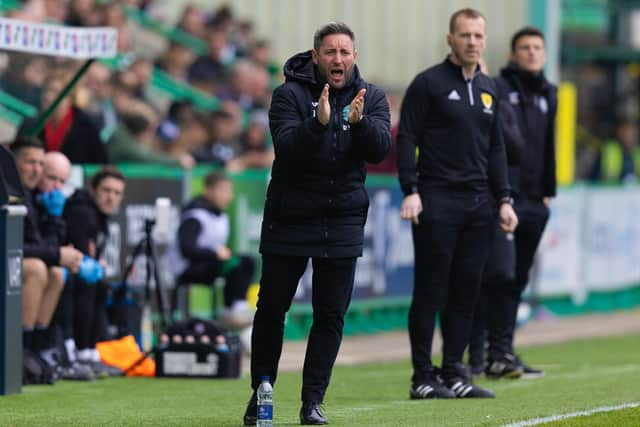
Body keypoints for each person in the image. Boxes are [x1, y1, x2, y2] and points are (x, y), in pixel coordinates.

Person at [243, 22, 391, 425]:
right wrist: (318, 123)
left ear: (354, 57)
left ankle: (312, 402)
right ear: (316, 56)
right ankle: (262, 395)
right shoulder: (288, 94)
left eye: (344, 52)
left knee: (330, 315)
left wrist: (359, 124)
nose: (337, 59)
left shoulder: (371, 96)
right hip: (289, 217)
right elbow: (286, 149)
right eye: (330, 52)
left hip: (342, 219)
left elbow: (380, 151)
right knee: (272, 309)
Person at [396, 8, 518, 399]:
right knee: (430, 290)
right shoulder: (428, 83)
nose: (472, 42)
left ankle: (454, 371)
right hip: (436, 200)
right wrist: (410, 189)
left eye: (478, 36)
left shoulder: (488, 88)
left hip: (479, 205)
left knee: (466, 291)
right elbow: (407, 137)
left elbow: (495, 147)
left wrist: (504, 199)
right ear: (450, 39)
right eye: (464, 35)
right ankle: (421, 376)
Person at [468, 26, 557, 379]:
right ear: (513, 54)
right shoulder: (500, 88)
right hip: (504, 197)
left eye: (538, 47)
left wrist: (549, 190)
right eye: (525, 47)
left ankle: (503, 351)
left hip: (537, 199)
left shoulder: (549, 93)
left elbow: (549, 145)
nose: (533, 53)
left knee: (517, 278)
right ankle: (478, 353)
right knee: (495, 276)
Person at [9, 137, 83, 366]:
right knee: (37, 268)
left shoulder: (32, 195)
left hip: (16, 259)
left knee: (57, 273)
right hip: (11, 261)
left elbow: (39, 242)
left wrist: (54, 219)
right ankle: (19, 352)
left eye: (40, 164)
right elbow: (17, 245)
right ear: (12, 163)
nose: (36, 170)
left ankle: (37, 349)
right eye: (31, 163)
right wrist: (57, 254)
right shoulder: (11, 191)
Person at [34, 151, 95, 380]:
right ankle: (36, 349)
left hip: (46, 265)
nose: (56, 186)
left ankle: (64, 351)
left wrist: (55, 219)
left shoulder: (59, 205)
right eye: (51, 178)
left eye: (62, 181)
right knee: (53, 272)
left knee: (66, 274)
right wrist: (58, 254)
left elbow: (52, 243)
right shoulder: (26, 200)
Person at [169, 171, 255, 329]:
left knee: (248, 261)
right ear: (208, 191)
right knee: (233, 264)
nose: (228, 196)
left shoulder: (221, 216)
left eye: (229, 191)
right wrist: (215, 254)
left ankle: (236, 305)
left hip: (209, 264)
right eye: (223, 190)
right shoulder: (195, 215)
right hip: (187, 269)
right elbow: (187, 249)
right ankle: (231, 311)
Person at [63, 166, 126, 377]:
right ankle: (80, 353)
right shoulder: (82, 210)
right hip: (62, 268)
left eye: (117, 193)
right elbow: (82, 252)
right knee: (88, 281)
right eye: (106, 191)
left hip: (75, 267)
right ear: (93, 190)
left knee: (99, 284)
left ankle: (91, 352)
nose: (111, 198)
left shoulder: (100, 216)